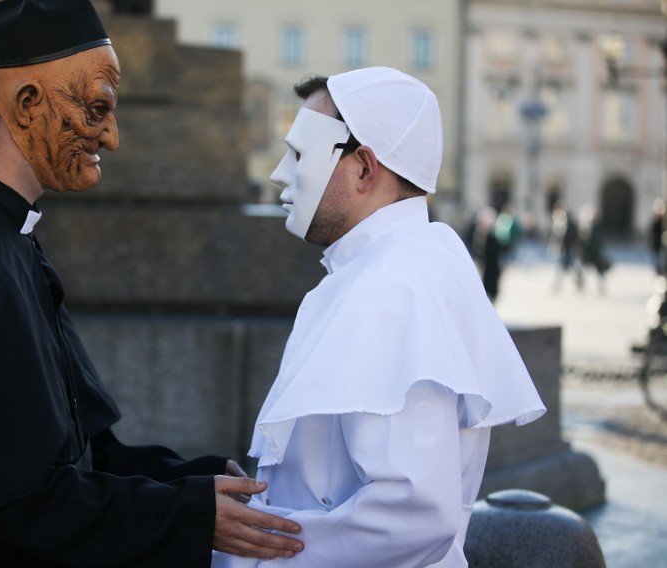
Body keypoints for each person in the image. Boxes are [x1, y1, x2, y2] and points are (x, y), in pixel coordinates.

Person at [0, 1, 303, 565]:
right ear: (28, 105)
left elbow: (68, 454)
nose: (113, 137)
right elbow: (2, 501)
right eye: (98, 108)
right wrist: (187, 513)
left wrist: (193, 484)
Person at [212, 68, 545, 567]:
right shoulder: (402, 264)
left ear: (365, 169)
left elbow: (415, 513)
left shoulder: (393, 284)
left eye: (300, 153)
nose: (281, 172)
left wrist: (259, 556)